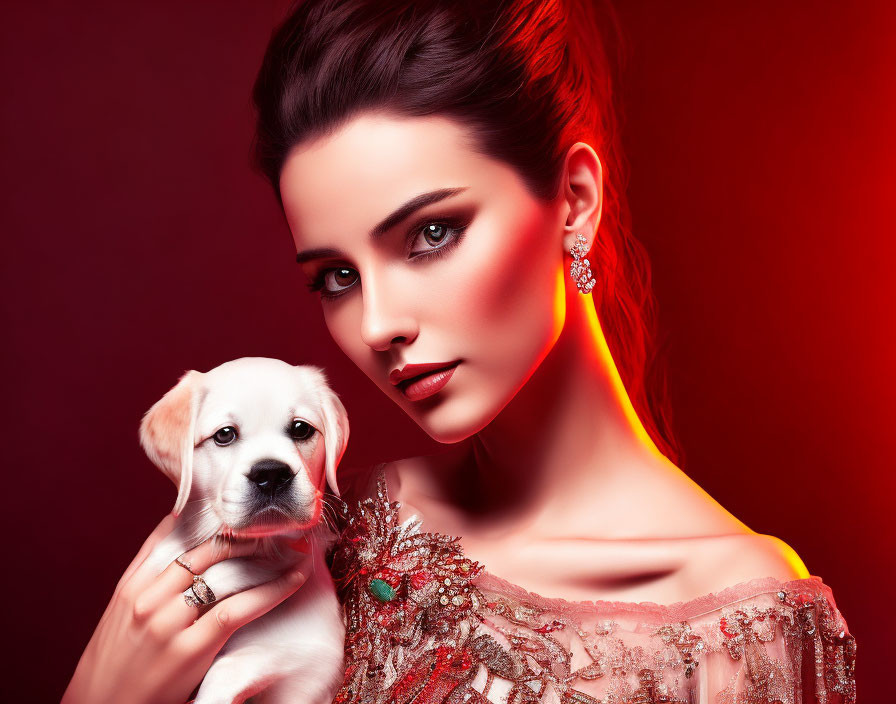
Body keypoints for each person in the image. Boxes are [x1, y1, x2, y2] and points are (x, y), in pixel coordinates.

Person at [64, 1, 857, 702]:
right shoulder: (330, 533)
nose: (377, 324)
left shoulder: (739, 617)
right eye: (337, 276)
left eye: (430, 234)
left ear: (575, 202)